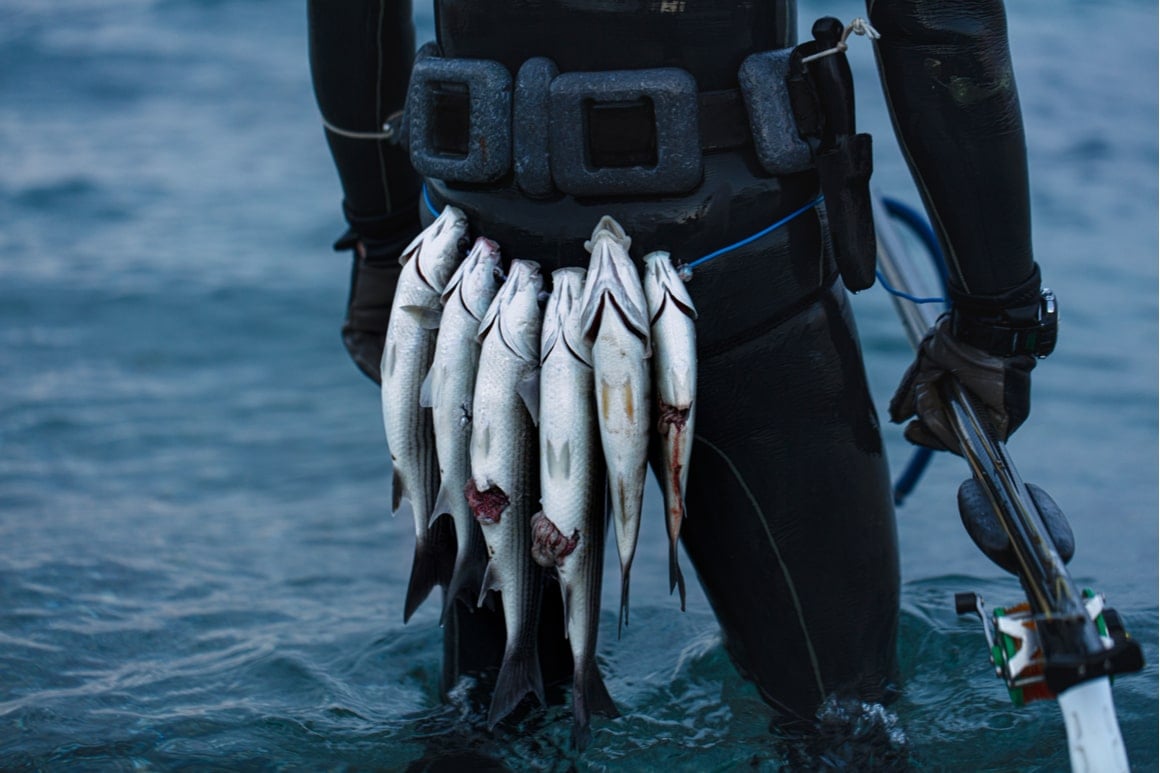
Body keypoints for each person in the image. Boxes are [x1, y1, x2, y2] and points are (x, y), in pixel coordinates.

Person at [306, 0, 1056, 726]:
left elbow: (353, 13)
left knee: (490, 720)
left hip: (497, 281)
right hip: (745, 263)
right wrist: (997, 317)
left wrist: (379, 238)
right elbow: (942, 24)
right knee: (845, 721)